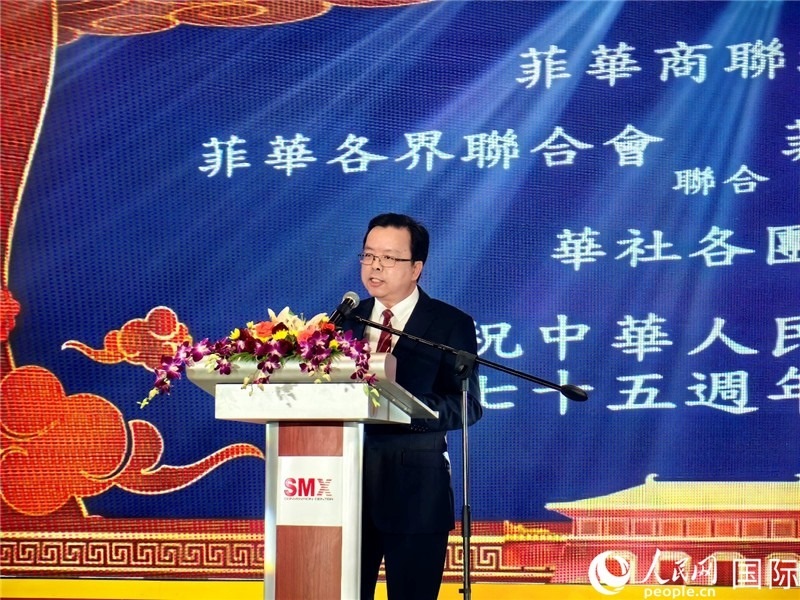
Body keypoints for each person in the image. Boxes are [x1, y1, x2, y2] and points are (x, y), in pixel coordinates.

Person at [340, 213, 483, 600]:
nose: (375, 266)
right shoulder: (345, 321)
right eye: (369, 255)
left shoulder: (449, 324)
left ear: (416, 267)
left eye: (388, 257)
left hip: (415, 494)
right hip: (344, 492)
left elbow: (467, 405)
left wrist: (408, 409)